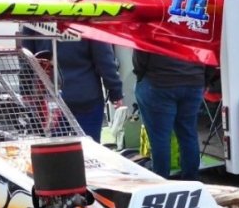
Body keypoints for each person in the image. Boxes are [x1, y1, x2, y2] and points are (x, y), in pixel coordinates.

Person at [28, 37, 123, 142]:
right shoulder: (90, 26)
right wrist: (115, 91)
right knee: (89, 146)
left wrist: (26, 92)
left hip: (50, 100)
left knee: (54, 147)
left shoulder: (35, 26)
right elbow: (104, 59)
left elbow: (27, 59)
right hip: (85, 96)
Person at [132, 49, 205, 179]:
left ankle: (161, 182)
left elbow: (140, 53)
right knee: (188, 134)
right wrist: (205, 78)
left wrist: (140, 75)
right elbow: (210, 50)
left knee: (160, 138)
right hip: (193, 80)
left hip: (159, 81)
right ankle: (191, 181)